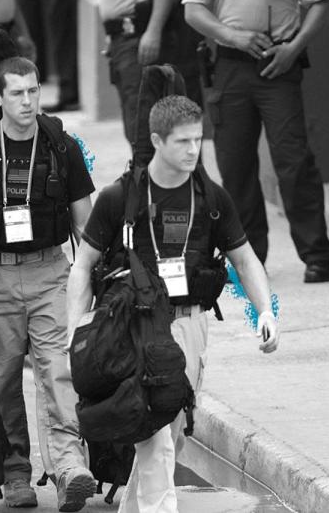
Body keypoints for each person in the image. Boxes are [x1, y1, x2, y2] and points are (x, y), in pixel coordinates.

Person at [67, 95, 278, 512]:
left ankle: (134, 507)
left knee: (173, 431)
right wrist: (75, 328)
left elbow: (245, 258)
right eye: (183, 141)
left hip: (191, 324)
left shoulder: (211, 198)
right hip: (138, 330)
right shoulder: (120, 197)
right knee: (157, 433)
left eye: (198, 140)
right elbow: (83, 265)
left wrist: (266, 310)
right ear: (157, 141)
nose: (193, 150)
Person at [0, 56, 96, 511]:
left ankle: (70, 466)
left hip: (50, 271)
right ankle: (15, 473)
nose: (28, 101)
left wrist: (98, 284)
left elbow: (86, 225)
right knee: (2, 380)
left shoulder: (61, 147)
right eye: (17, 93)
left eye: (33, 91)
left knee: (59, 368)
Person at [183, 0, 329, 282]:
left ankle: (316, 254)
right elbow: (193, 10)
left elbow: (320, 3)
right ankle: (249, 259)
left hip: (280, 64)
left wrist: (294, 48)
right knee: (235, 167)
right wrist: (232, 35)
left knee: (294, 162)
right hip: (229, 67)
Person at [100, 0, 202, 144]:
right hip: (125, 38)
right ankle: (145, 170)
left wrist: (153, 31)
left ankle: (152, 170)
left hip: (142, 37)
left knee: (144, 128)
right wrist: (113, 32)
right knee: (135, 123)